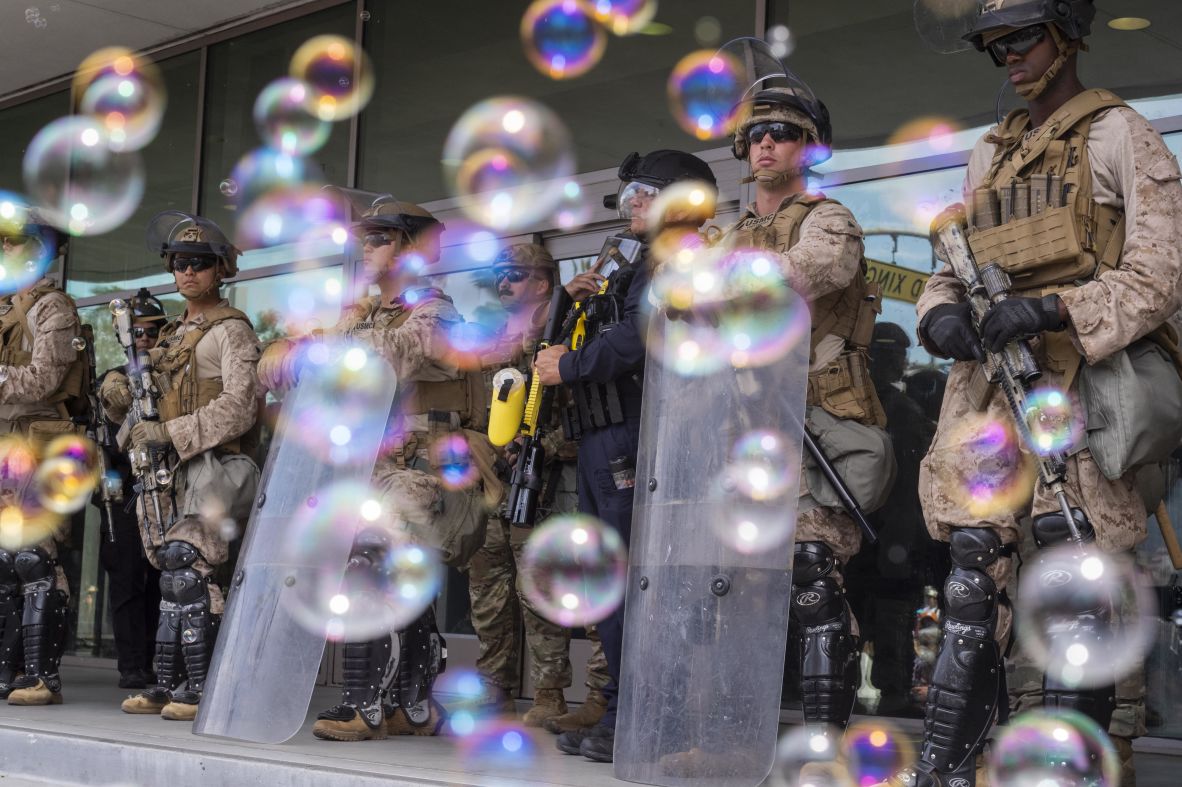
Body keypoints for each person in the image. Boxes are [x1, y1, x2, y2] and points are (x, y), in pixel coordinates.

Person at [900, 1, 1182, 784]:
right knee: (969, 572)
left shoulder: (1121, 135)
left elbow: (1162, 274)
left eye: (1023, 40)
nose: (1010, 60)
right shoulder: (989, 155)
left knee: (1074, 575)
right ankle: (946, 771)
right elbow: (945, 270)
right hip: (992, 395)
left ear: (1068, 35)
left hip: (1086, 387)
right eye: (996, 48)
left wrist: (1060, 307)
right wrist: (940, 316)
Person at [258, 196, 487, 742]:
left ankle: (364, 705)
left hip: (420, 472)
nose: (367, 247)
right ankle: (414, 706)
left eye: (381, 237)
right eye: (365, 237)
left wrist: (313, 347)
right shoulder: (357, 316)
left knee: (371, 563)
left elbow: (392, 355)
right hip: (367, 469)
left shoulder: (436, 310)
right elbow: (287, 371)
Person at [534, 149, 719, 763]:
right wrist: (572, 301)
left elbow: (636, 340)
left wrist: (569, 365)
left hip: (632, 437)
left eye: (645, 191)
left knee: (630, 582)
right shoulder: (635, 263)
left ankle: (642, 717)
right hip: (602, 438)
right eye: (629, 193)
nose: (631, 203)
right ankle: (621, 710)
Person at [723, 81, 891, 735]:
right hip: (745, 433)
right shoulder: (732, 232)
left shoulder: (829, 218)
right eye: (757, 133)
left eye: (784, 132)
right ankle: (736, 735)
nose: (767, 142)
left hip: (817, 422)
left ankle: (824, 738)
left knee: (814, 576)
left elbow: (802, 274)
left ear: (808, 146)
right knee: (737, 587)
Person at [101, 212, 261, 722]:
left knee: (190, 571)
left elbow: (241, 406)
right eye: (179, 264)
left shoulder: (231, 331)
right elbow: (144, 407)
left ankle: (201, 686)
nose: (187, 273)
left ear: (220, 271)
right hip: (172, 470)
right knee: (172, 573)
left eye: (200, 264)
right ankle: (167, 684)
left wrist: (171, 431)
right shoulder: (172, 335)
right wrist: (119, 393)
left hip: (218, 466)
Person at [469, 243, 610, 728]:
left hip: (544, 479)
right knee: (488, 591)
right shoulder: (495, 337)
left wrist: (542, 447)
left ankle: (549, 694)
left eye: (514, 274)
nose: (503, 283)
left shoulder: (566, 330)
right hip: (493, 479)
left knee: (541, 589)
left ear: (542, 282)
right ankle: (495, 691)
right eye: (498, 275)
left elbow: (575, 409)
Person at [0, 216, 87, 706]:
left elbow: (42, 381)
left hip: (38, 443)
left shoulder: (54, 308)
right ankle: (6, 671)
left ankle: (41, 677)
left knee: (36, 559)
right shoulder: (7, 308)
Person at [845, 323, 942, 716]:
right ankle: (883, 691)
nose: (893, 364)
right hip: (873, 532)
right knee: (875, 616)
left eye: (896, 357)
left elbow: (909, 483)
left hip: (890, 532)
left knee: (888, 617)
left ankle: (890, 690)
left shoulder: (892, 410)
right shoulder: (875, 408)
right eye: (886, 356)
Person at [96, 288, 165, 689]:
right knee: (125, 582)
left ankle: (158, 661)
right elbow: (104, 448)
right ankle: (132, 665)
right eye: (136, 331)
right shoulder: (112, 380)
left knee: (160, 580)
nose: (143, 339)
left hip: (160, 489)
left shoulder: (168, 378)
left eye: (151, 332)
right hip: (122, 493)